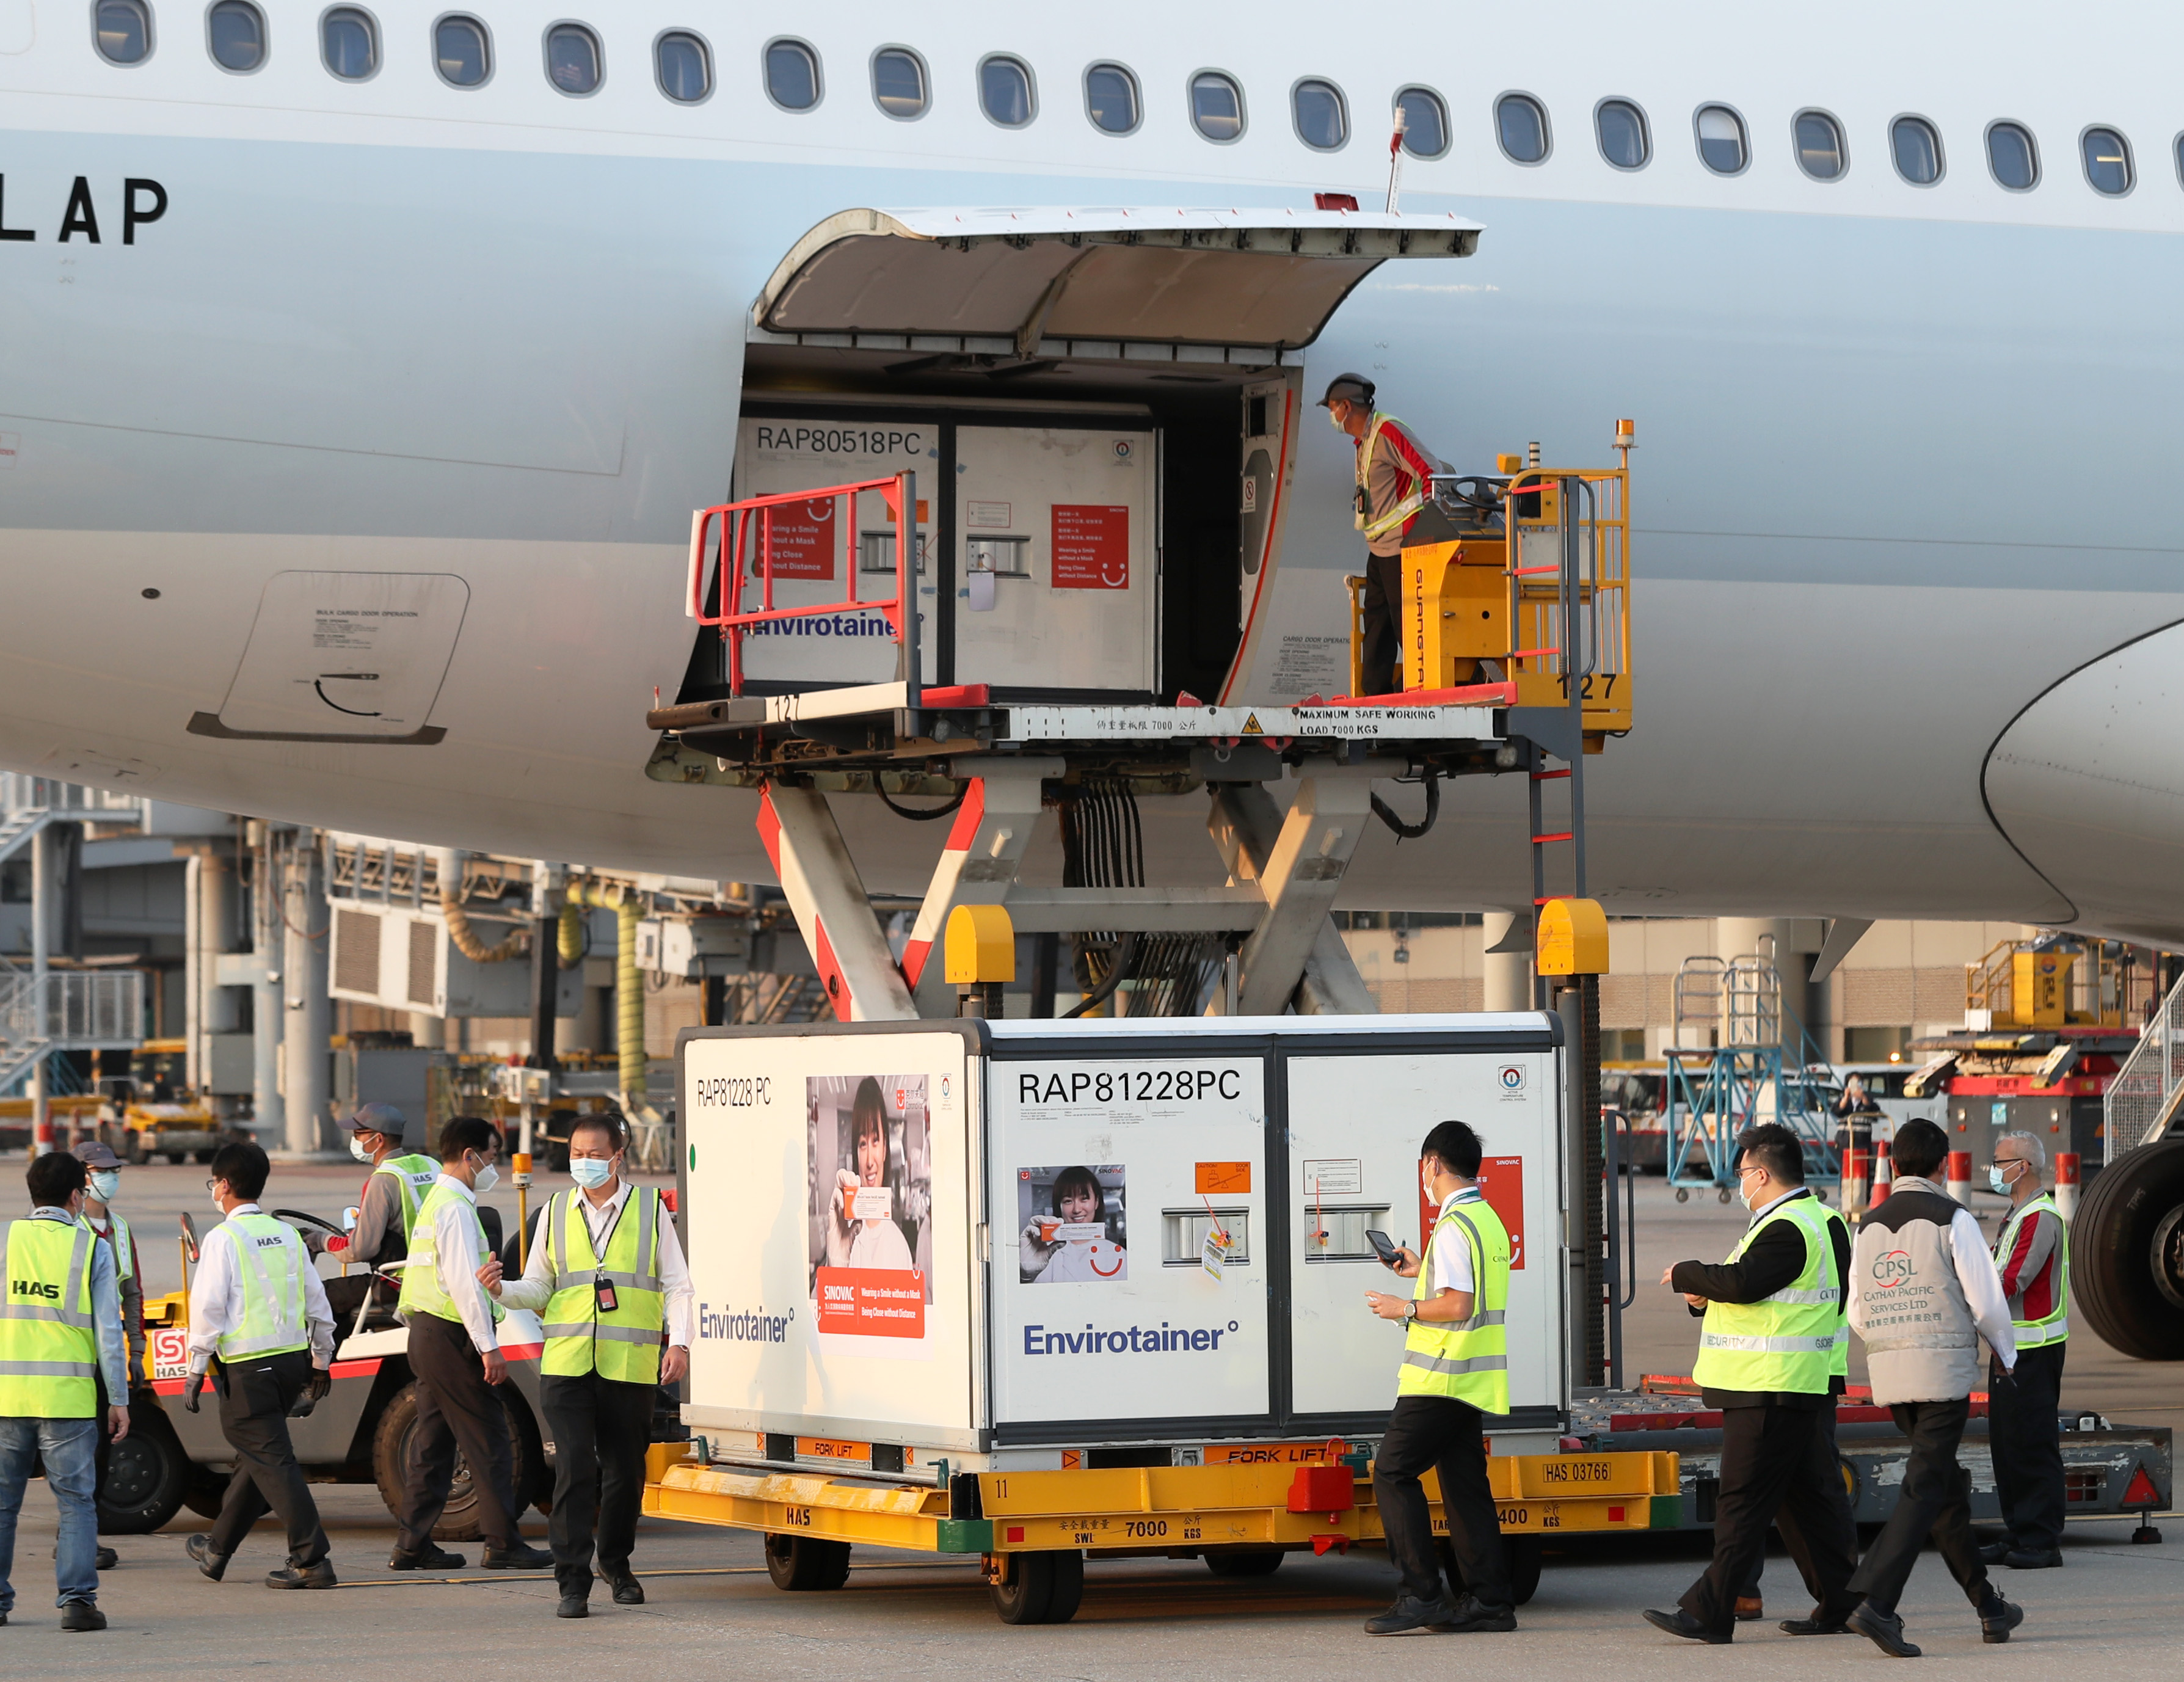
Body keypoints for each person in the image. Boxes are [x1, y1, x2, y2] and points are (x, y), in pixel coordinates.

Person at [1643, 1123, 1859, 1645]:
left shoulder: (1787, 1228)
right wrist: (1705, 1297)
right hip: (1804, 1381)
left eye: (1741, 1172)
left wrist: (1688, 1274)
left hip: (1770, 1384)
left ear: (1761, 1175)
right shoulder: (1823, 1221)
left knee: (1741, 1501)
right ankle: (1847, 1604)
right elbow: (1766, 1292)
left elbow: (1744, 1283)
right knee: (1808, 1501)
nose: (1739, 1182)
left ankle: (1709, 1612)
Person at [482, 1112, 692, 1618]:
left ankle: (616, 1565)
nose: (585, 1162)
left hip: (629, 1363)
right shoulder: (554, 1211)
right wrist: (502, 1289)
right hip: (567, 1364)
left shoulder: (649, 1210)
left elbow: (678, 1286)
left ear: (618, 1156)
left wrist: (681, 1344)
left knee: (624, 1472)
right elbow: (539, 1287)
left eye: (595, 1154)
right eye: (577, 1153)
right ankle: (572, 1582)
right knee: (574, 1468)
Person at [1842, 1117, 2024, 1657]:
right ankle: (1878, 1603)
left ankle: (1990, 1607)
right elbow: (1986, 1300)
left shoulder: (1867, 1226)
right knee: (1925, 1489)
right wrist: (2007, 1354)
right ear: (1944, 1165)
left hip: (1892, 1376)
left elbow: (1856, 1310)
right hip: (1943, 1374)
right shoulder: (1952, 1218)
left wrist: (1894, 1343)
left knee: (1943, 1492)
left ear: (1892, 1164)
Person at [1359, 1120, 1516, 1636]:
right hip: (1470, 1377)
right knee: (1465, 1488)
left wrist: (1403, 1307)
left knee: (1392, 1472)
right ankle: (1490, 1601)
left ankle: (1421, 1594)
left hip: (1441, 1376)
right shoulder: (1485, 1219)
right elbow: (1463, 1286)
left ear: (1433, 1164)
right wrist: (1421, 1268)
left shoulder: (1452, 1227)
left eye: (1422, 1167)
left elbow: (1457, 1304)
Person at [393, 1116, 551, 1572]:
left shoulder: (436, 1201)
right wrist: (488, 1347)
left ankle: (412, 1545)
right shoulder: (457, 1209)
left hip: (427, 1335)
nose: (494, 1166)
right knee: (490, 1441)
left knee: (433, 1446)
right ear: (469, 1156)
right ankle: (502, 1543)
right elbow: (465, 1285)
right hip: (450, 1336)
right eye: (492, 1156)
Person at [180, 1141, 337, 1590]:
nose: (214, 1190)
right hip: (290, 1366)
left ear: (225, 1185)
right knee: (260, 1458)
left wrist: (196, 1367)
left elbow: (208, 1308)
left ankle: (311, 1559)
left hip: (249, 1371)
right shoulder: (286, 1234)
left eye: (214, 1183)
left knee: (273, 1461)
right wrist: (321, 1361)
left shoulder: (224, 1238)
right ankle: (217, 1549)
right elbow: (317, 1303)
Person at [0, 1149, 129, 1631]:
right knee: (75, 1503)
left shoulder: (5, 1238)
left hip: (7, 1396)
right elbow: (109, 1333)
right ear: (77, 1196)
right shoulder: (92, 1248)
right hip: (68, 1399)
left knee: (3, 1505)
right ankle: (77, 1603)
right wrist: (119, 1399)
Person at [1733, 1187, 1858, 1625]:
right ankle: (1837, 1600)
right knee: (1782, 1488)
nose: (1742, 1183)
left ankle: (1846, 1598)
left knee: (1803, 1489)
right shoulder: (1785, 1223)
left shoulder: (1808, 1225)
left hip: (1805, 1373)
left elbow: (1753, 1287)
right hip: (1787, 1372)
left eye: (1745, 1173)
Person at [1320, 373, 1446, 698]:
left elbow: (1431, 471)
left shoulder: (1387, 431)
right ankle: (1376, 696)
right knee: (1377, 624)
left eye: (1333, 409)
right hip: (1380, 549)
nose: (1332, 416)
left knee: (1408, 626)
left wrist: (1431, 527)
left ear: (1347, 407)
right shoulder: (1365, 440)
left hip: (1403, 548)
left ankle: (1417, 693)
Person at [1982, 1131, 2069, 1570]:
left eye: (2001, 1163)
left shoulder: (2038, 1218)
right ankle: (2019, 1530)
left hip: (2031, 1350)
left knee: (2032, 1444)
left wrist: (1963, 1293)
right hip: (2010, 1347)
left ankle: (2041, 1540)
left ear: (2024, 1166)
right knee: (2008, 1445)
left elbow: (2009, 1281)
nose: (1994, 1170)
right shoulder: (2017, 1215)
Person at [73, 1140, 142, 1573]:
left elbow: (132, 1294)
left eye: (114, 1170)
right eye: (102, 1171)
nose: (111, 1177)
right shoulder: (71, 1228)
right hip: (73, 1355)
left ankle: (83, 1535)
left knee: (100, 1451)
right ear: (81, 1177)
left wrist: (137, 1351)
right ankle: (76, 1538)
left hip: (107, 1356)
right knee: (77, 1450)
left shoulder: (120, 1230)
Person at [824, 1079, 914, 1272]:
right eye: (863, 1144)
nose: (870, 1161)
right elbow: (819, 1293)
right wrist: (834, 1268)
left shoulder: (900, 1246)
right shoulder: (844, 1236)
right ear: (856, 1153)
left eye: (875, 1141)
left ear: (885, 1149)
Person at [341, 1103, 440, 1269]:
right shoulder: (432, 1165)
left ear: (379, 1140)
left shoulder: (383, 1179)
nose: (354, 1140)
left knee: (324, 1286)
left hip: (401, 1276)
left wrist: (321, 1241)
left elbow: (359, 1250)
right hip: (439, 1268)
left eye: (358, 1134)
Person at [1019, 1165, 1127, 1283]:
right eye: (1068, 1201)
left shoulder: (1118, 1254)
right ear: (1059, 1206)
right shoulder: (1041, 1251)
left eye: (1084, 1199)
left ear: (1096, 1202)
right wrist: (1026, 1275)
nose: (1077, 1209)